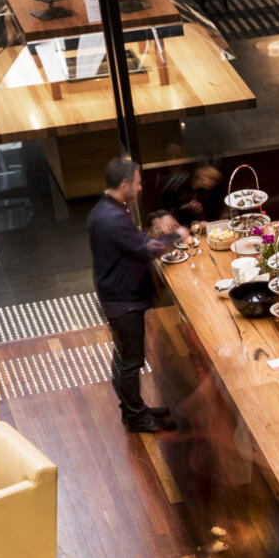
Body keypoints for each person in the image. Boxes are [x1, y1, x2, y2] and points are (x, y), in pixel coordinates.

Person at [88, 158, 186, 433]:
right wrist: (176, 235)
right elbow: (147, 249)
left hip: (115, 294)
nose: (141, 187)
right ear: (124, 184)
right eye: (138, 182)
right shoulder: (113, 219)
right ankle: (136, 417)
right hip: (123, 300)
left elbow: (131, 242)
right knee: (130, 361)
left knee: (124, 357)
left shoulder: (106, 209)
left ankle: (133, 409)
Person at [154, 156, 223, 225]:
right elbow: (158, 209)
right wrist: (181, 208)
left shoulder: (210, 192)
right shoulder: (176, 184)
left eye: (216, 180)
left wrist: (200, 213)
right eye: (211, 178)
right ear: (199, 171)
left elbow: (212, 218)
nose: (212, 183)